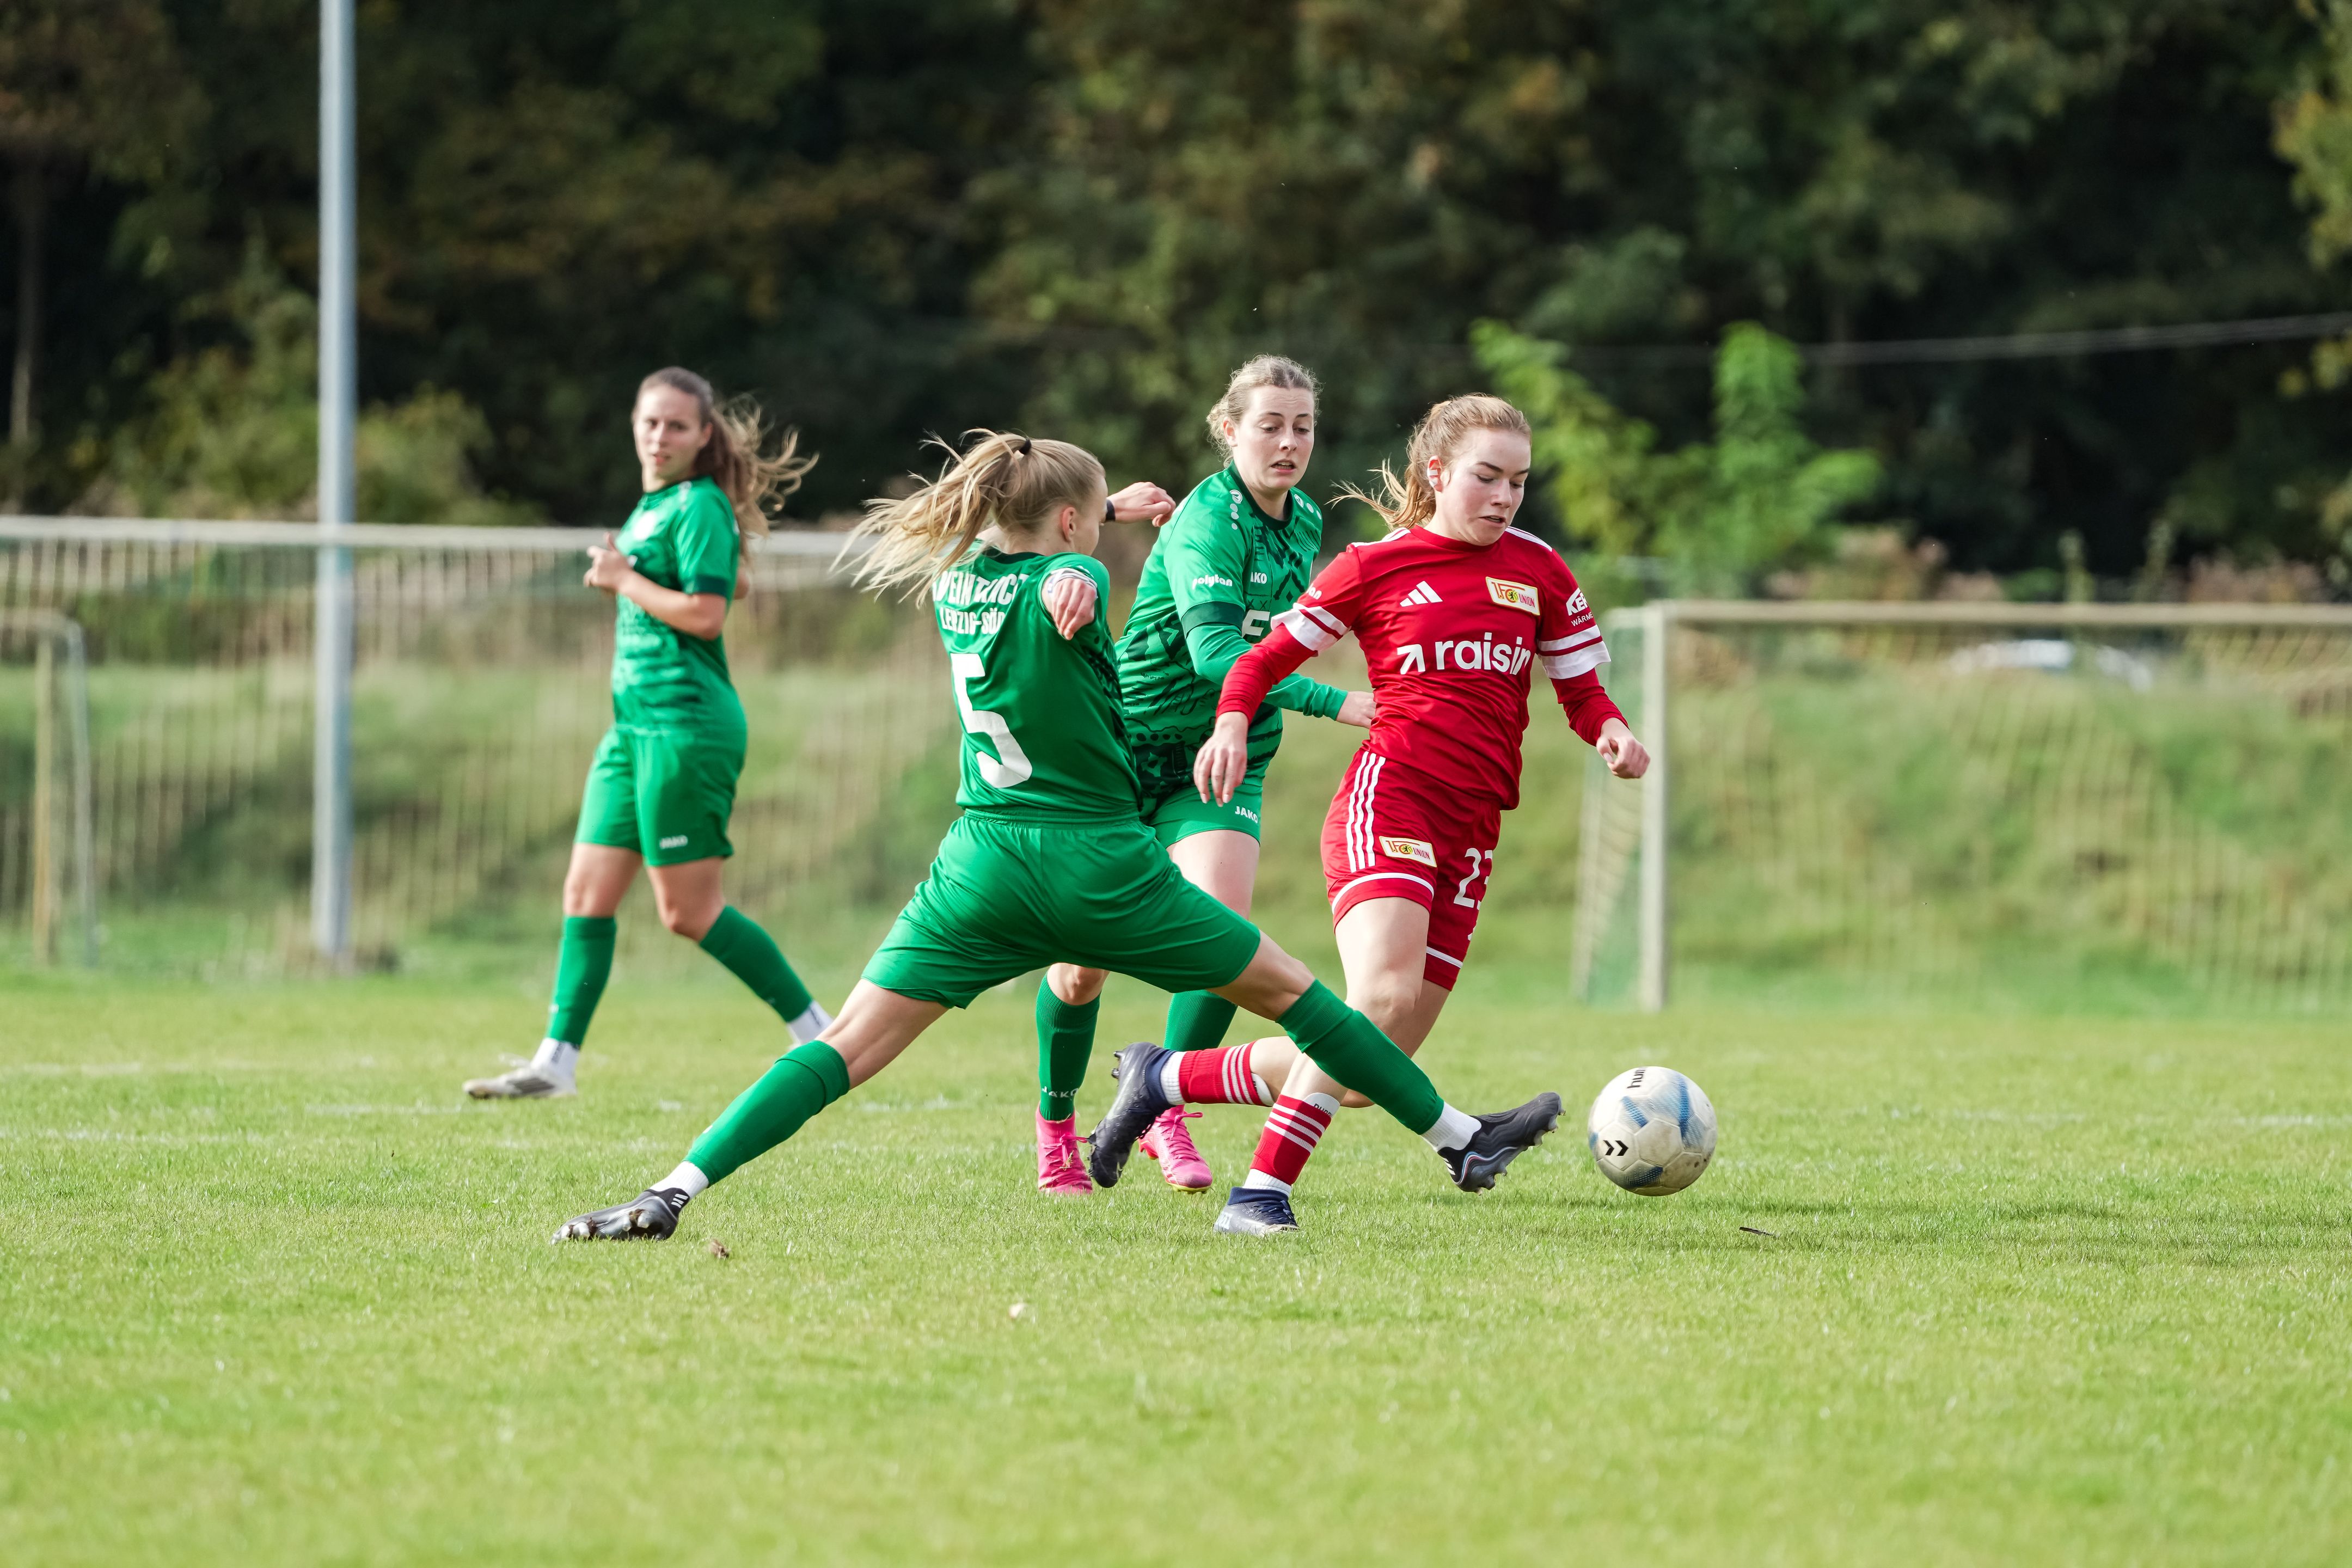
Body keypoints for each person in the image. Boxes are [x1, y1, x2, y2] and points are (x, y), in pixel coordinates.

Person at [552, 428, 1561, 1241]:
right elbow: (1064, 586)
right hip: (1100, 866)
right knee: (1296, 995)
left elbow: (1015, 543)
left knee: (848, 1048)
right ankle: (1458, 1139)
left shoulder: (957, 579)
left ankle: (672, 1191)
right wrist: (1085, 573)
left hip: (979, 866)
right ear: (1072, 525)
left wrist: (1099, 519)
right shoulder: (1070, 586)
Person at [1107, 393, 1650, 1235]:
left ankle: (1166, 1080)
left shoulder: (1540, 569)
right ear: (1437, 474)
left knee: (1367, 1070)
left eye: (1518, 481)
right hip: (1389, 798)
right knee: (1380, 997)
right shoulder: (1372, 565)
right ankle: (1260, 1197)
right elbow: (1256, 663)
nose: (1504, 497)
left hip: (1473, 828)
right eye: (1486, 477)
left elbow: (1581, 691)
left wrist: (1611, 731)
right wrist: (1229, 722)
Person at [1031, 356, 1375, 1197]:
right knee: (1081, 969)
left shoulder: (1300, 523)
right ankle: (1055, 1126)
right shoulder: (1204, 525)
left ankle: (1160, 1107)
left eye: (1303, 427)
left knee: (1220, 938)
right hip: (1127, 745)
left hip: (1226, 756)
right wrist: (1339, 703)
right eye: (1270, 425)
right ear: (1229, 431)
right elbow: (1221, 653)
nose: (1289, 443)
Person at [463, 368, 825, 1100]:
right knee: (586, 894)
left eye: (676, 426)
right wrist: (642, 570)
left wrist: (624, 579)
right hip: (632, 731)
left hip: (684, 726)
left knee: (687, 912)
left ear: (702, 436)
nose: (659, 437)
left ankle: (823, 1035)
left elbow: (708, 614)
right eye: (649, 422)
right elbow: (730, 580)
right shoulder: (660, 506)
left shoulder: (698, 504)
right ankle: (554, 1066)